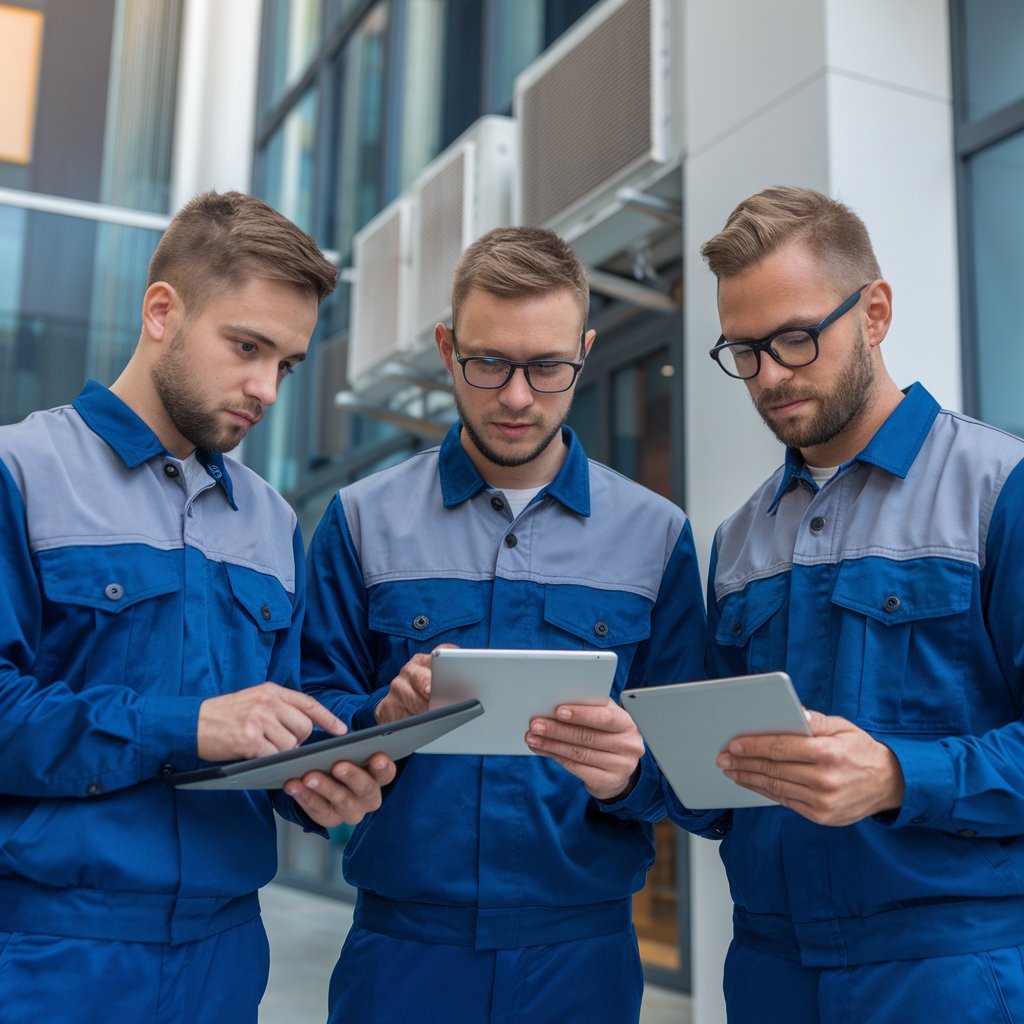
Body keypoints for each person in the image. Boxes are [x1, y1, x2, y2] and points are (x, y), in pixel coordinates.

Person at [0, 190, 396, 1023]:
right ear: (161, 311)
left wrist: (327, 773)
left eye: (285, 364)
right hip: (49, 948)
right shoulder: (23, 473)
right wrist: (189, 726)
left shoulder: (273, 520)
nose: (265, 388)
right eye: (246, 346)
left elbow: (276, 723)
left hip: (224, 956)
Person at [301, 225, 707, 1023]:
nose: (518, 396)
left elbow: (692, 768)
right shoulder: (359, 520)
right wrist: (379, 718)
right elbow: (305, 721)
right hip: (403, 953)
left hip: (582, 959)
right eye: (489, 362)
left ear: (585, 352)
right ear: (449, 349)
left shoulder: (657, 534)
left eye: (548, 366)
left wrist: (631, 772)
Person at [666, 185, 1024, 1022]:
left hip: (947, 972)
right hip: (769, 971)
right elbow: (721, 789)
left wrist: (901, 774)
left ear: (874, 312)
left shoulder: (1000, 490)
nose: (772, 377)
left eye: (795, 338)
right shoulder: (738, 539)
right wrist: (633, 762)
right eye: (744, 351)